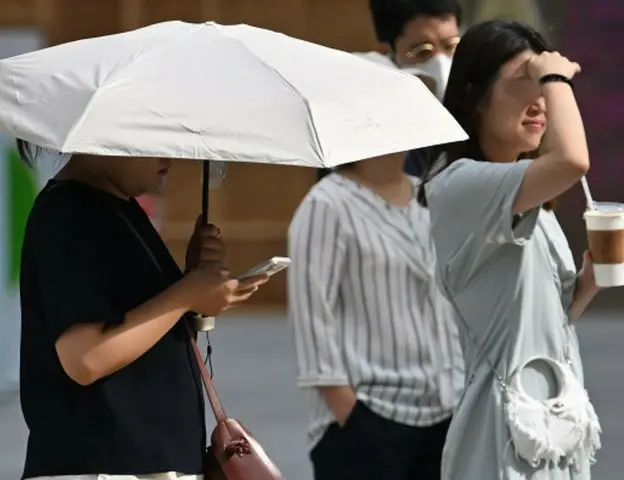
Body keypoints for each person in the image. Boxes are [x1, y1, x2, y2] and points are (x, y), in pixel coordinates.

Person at [419, 20, 624, 479]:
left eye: (545, 81)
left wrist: (587, 284)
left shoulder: (527, 195)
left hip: (554, 421)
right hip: (501, 435)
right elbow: (574, 160)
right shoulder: (459, 183)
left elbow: (543, 321)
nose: (541, 100)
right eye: (526, 79)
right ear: (474, 95)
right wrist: (557, 78)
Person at [17, 143, 268, 480]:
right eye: (153, 136)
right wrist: (186, 293)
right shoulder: (69, 212)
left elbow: (140, 332)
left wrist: (192, 288)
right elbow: (86, 357)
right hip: (103, 465)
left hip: (137, 462)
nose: (171, 155)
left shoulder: (116, 209)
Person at [288, 152, 465, 480]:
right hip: (367, 417)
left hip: (443, 410)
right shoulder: (326, 203)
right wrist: (346, 409)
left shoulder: (430, 196)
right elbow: (312, 313)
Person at [317, 0, 462, 182]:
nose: (441, 63)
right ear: (386, 51)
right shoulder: (363, 127)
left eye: (450, 46)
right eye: (422, 51)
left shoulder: (480, 111)